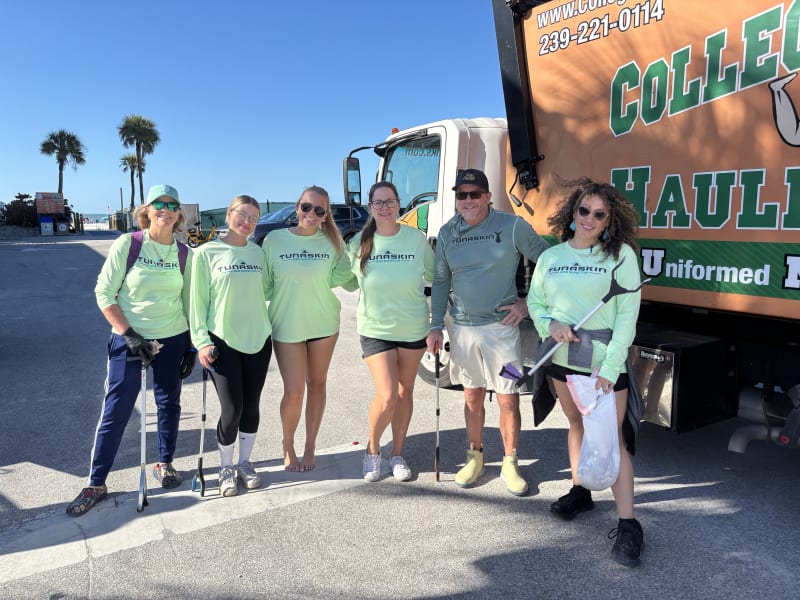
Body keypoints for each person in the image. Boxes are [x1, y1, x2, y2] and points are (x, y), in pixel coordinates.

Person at [526, 176, 644, 567]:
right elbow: (536, 301)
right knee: (576, 423)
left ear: (609, 221)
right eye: (584, 210)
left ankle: (628, 525)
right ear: (572, 212)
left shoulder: (621, 256)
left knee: (612, 438)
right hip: (561, 359)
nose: (590, 218)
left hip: (602, 364)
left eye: (600, 214)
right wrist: (550, 327)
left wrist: (611, 366)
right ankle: (581, 491)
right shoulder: (551, 256)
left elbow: (627, 316)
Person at [66, 184, 192, 516]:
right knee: (117, 409)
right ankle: (96, 483)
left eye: (172, 204)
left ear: (179, 213)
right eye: (158, 204)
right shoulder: (129, 244)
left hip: (172, 336)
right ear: (147, 210)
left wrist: (191, 345)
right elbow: (104, 293)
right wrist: (129, 334)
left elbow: (190, 302)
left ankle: (164, 463)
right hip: (129, 337)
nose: (165, 209)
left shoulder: (184, 253)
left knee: (169, 403)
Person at [426, 168, 549, 496]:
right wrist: (436, 324)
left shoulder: (512, 226)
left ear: (488, 196)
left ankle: (510, 462)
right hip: (463, 331)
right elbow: (440, 281)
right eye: (461, 195)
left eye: (474, 194)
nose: (467, 200)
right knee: (472, 395)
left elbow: (548, 263)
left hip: (501, 333)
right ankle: (475, 457)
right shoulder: (448, 232)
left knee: (508, 398)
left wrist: (527, 304)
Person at [347, 182, 435, 482]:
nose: (384, 207)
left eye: (390, 201)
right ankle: (373, 451)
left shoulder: (416, 239)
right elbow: (345, 279)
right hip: (375, 328)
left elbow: (437, 274)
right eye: (378, 203)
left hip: (412, 326)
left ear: (399, 204)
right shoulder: (358, 242)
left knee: (404, 391)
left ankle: (397, 453)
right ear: (370, 207)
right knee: (386, 395)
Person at [263, 185, 354, 472]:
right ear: (297, 207)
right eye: (306, 207)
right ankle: (287, 443)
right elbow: (263, 285)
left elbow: (352, 278)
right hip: (286, 325)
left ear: (326, 214)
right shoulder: (274, 240)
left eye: (319, 210)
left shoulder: (333, 244)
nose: (311, 214)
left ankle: (310, 445)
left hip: (324, 324)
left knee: (317, 385)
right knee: (293, 392)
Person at [190, 195, 272, 497]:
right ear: (229, 215)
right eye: (242, 214)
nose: (247, 221)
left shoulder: (257, 252)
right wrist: (200, 341)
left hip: (259, 340)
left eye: (254, 217)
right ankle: (225, 466)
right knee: (232, 408)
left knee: (251, 406)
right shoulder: (206, 253)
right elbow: (196, 302)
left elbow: (268, 290)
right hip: (222, 341)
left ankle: (245, 463)